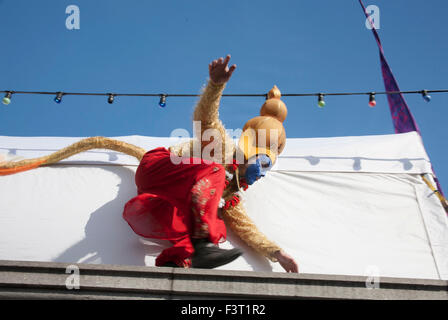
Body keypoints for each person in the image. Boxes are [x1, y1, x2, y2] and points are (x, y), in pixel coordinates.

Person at [122, 55, 299, 272]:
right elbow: (206, 119)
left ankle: (178, 259)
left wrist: (277, 253)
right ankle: (203, 243)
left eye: (268, 167)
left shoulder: (229, 195)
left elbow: (245, 228)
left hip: (163, 195)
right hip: (159, 168)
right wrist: (215, 85)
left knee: (208, 218)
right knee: (215, 171)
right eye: (263, 163)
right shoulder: (223, 148)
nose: (262, 173)